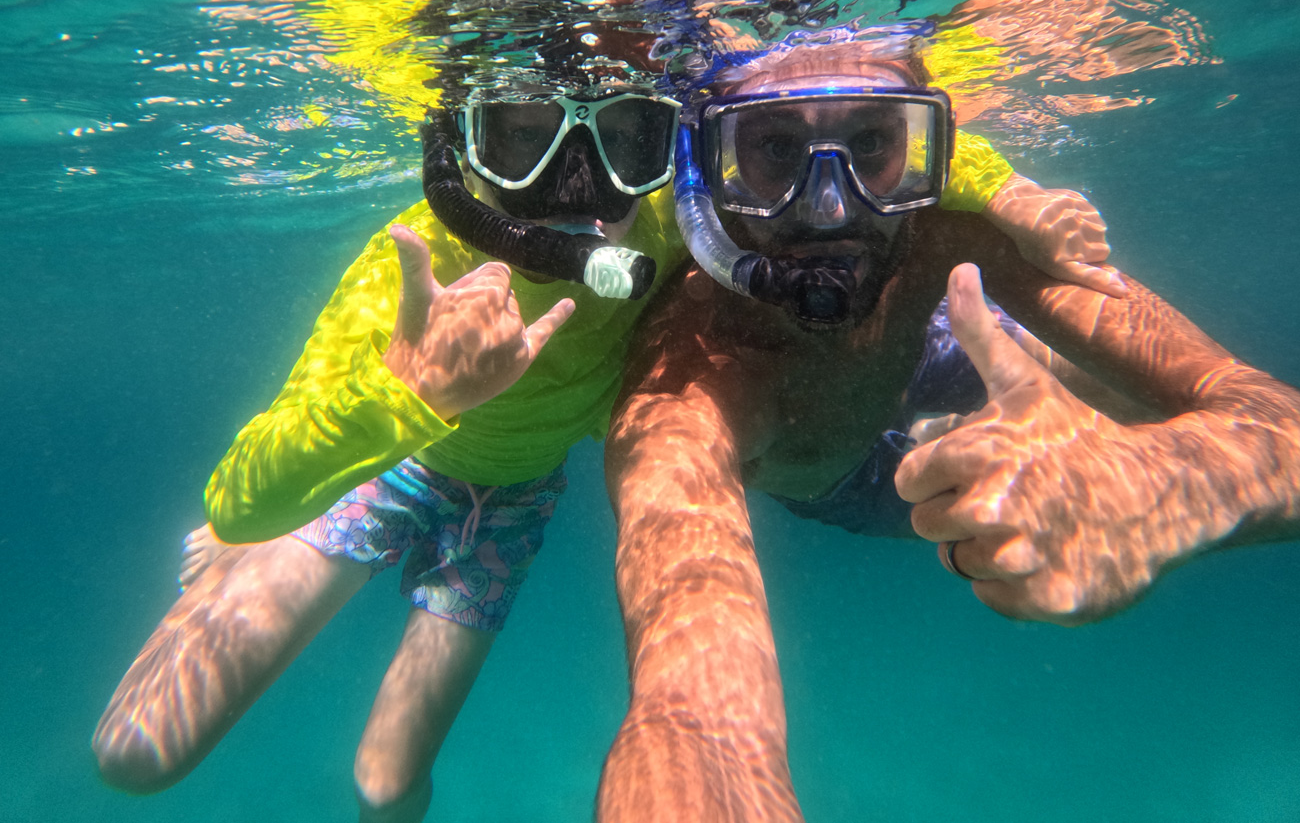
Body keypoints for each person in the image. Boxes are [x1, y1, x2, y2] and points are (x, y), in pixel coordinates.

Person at [91, 58, 1118, 821]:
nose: (573, 185)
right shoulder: (409, 262)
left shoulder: (672, 218)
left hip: (518, 500)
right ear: (461, 150)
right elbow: (238, 488)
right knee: (136, 751)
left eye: (620, 139)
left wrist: (1021, 200)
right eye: (522, 133)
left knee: (385, 783)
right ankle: (250, 561)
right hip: (392, 466)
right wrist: (398, 403)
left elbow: (885, 134)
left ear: (657, 143)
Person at [595, 32, 1300, 823]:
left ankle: (999, 426)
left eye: (870, 143)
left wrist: (1160, 482)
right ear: (706, 173)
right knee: (943, 489)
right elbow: (695, 722)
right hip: (848, 478)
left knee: (1109, 395)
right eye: (775, 148)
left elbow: (1273, 415)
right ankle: (945, 438)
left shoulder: (941, 236)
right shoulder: (686, 380)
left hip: (935, 346)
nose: (832, 206)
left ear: (922, 146)